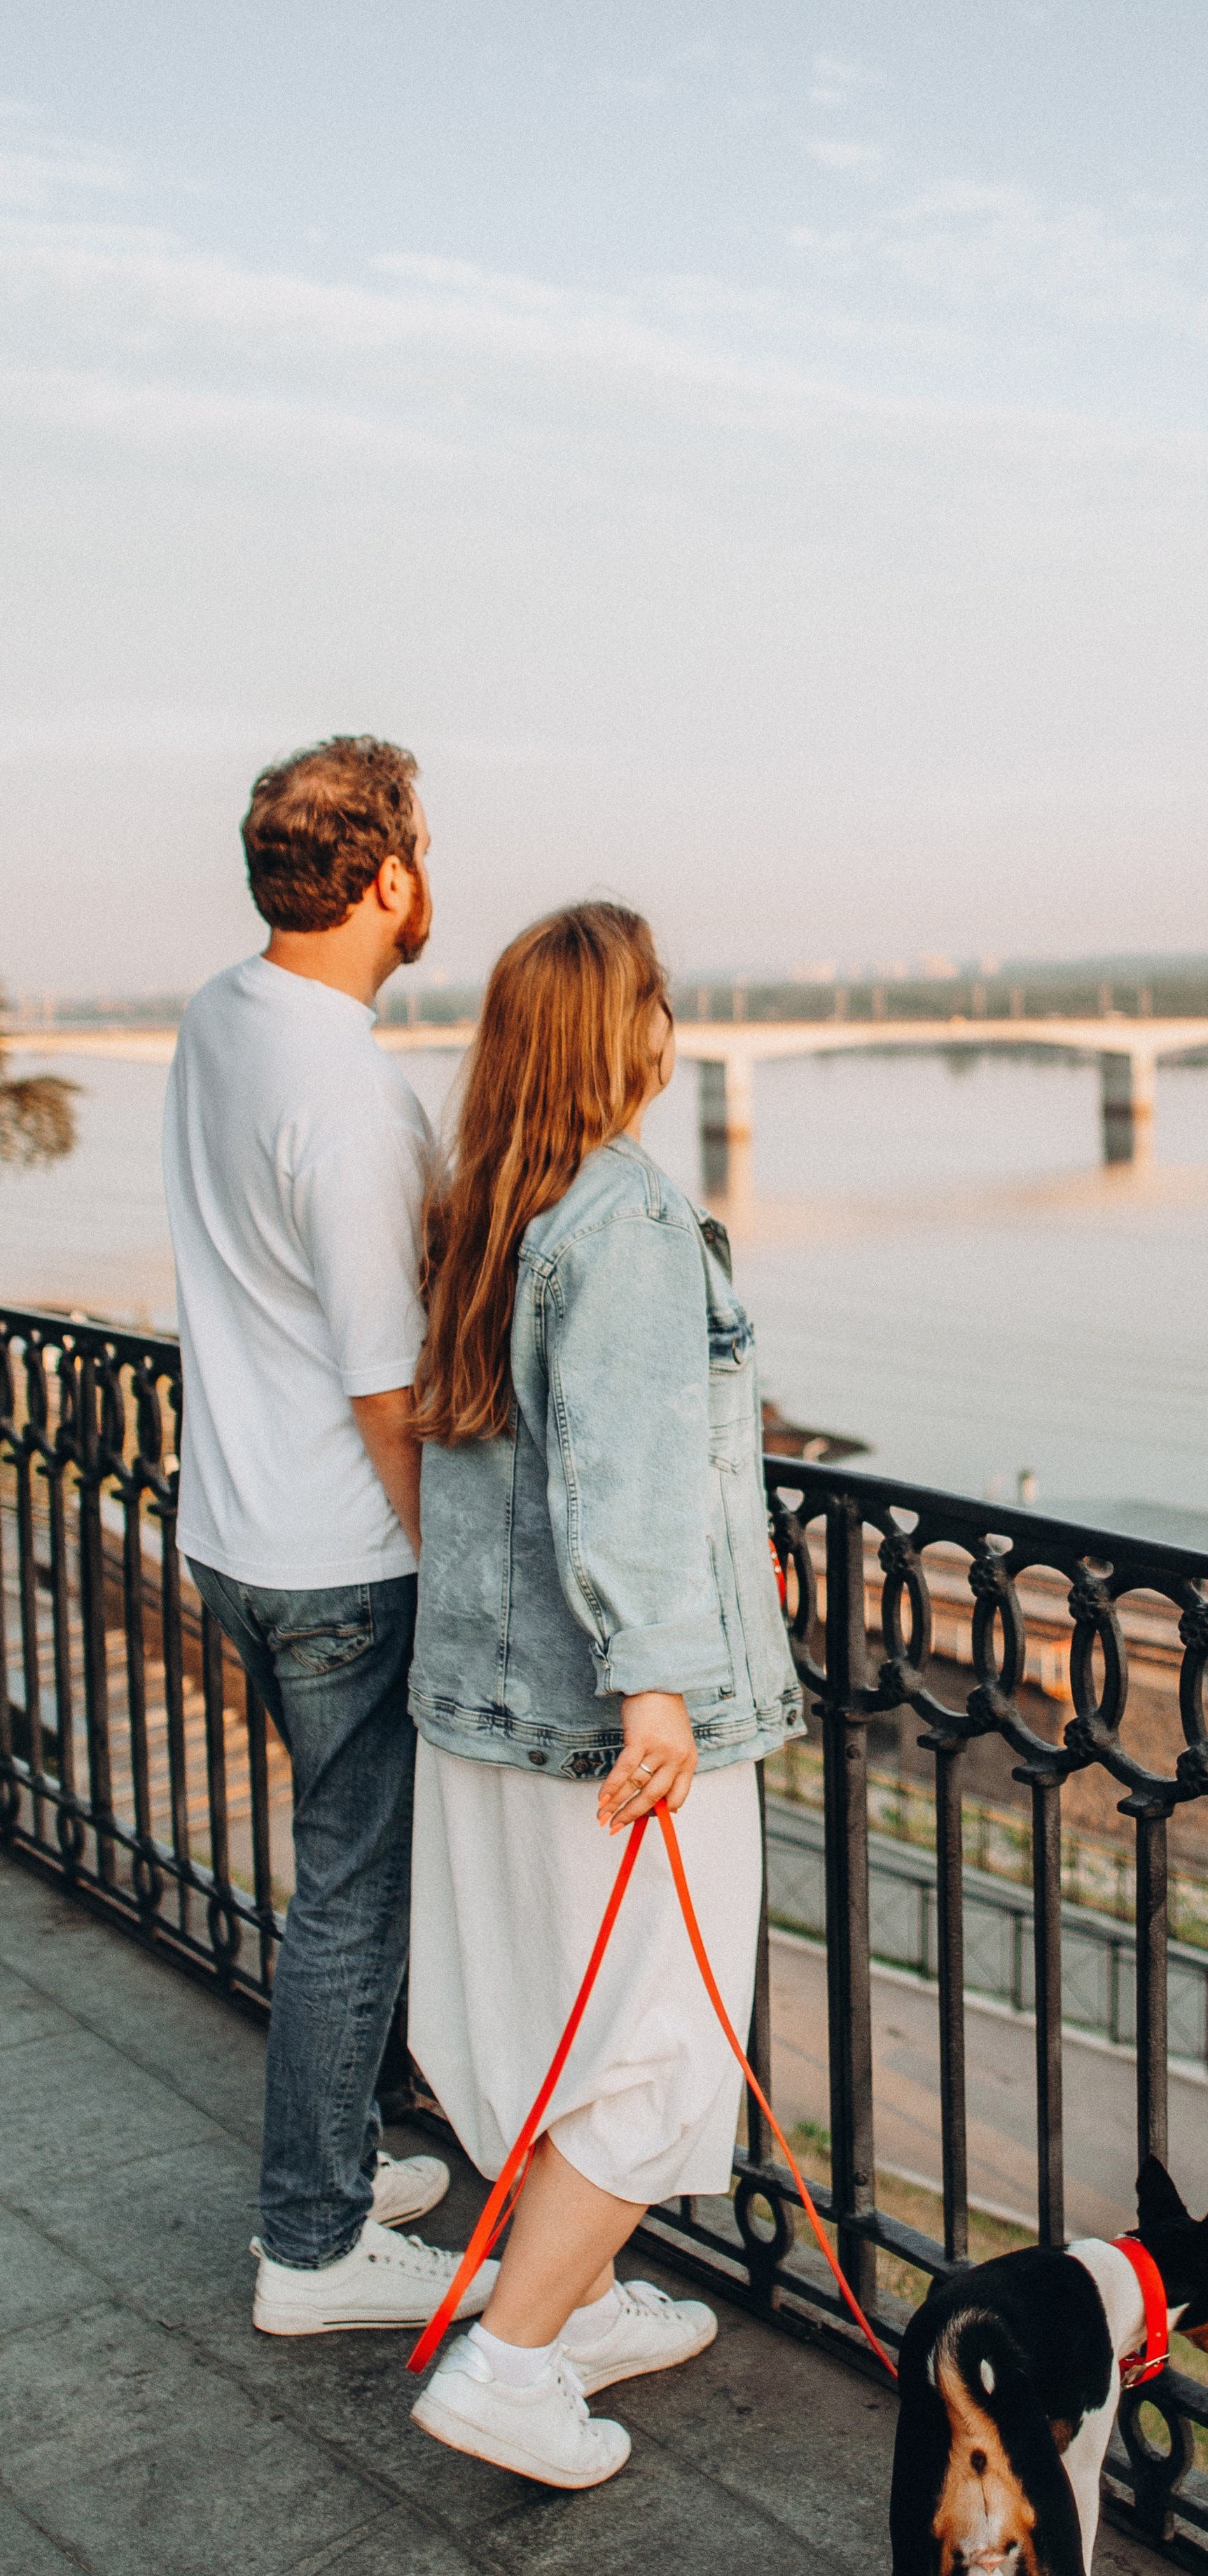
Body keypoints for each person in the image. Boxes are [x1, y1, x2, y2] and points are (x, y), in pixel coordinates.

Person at [403, 901, 803, 2488]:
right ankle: (506, 2369)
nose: (670, 1029)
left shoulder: (484, 1210)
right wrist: (658, 1690)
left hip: (482, 1706)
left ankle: (550, 2306)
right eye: (656, 1003)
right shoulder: (624, 1223)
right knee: (658, 2046)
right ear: (620, 1036)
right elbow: (627, 1480)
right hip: (618, 1724)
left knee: (530, 2028)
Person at [163, 736, 497, 2337]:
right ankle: (312, 2243)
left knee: (339, 1876)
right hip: (339, 1556)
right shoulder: (352, 1096)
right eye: (420, 849)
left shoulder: (224, 1016)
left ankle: (344, 2152)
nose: (430, 874)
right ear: (386, 879)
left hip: (230, 1522)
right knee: (351, 1892)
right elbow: (387, 1392)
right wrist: (466, 1571)